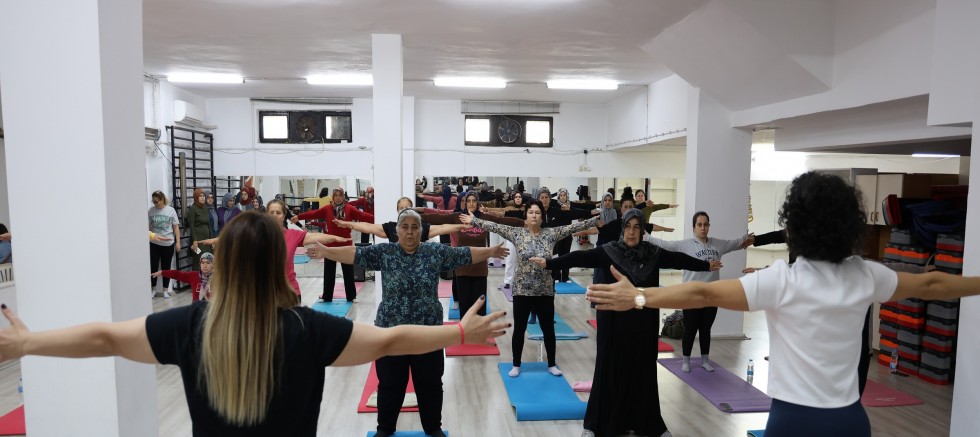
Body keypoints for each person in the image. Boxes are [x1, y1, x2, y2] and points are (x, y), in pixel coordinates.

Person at [0, 211, 510, 437]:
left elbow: (105, 337)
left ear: (222, 263)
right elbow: (390, 340)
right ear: (279, 263)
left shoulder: (190, 326)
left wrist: (26, 343)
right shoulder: (308, 330)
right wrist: (459, 333)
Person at [585, 171, 980, 437]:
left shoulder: (782, 280)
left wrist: (639, 296)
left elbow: (703, 294)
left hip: (793, 421)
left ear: (795, 226)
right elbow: (931, 283)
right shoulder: (866, 275)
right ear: (849, 224)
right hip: (848, 421)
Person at [307, 209, 509, 437]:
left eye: (415, 227)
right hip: (391, 332)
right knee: (389, 383)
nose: (410, 232)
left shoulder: (434, 252)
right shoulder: (385, 252)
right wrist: (327, 251)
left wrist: (491, 251)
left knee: (430, 383)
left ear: (421, 231)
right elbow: (355, 254)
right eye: (405, 227)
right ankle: (385, 428)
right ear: (397, 231)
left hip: (429, 333)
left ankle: (433, 427)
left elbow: (465, 253)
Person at [531, 209, 720, 437]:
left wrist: (705, 266)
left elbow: (678, 260)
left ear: (642, 230)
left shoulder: (652, 253)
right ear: (622, 229)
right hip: (613, 324)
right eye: (628, 227)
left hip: (644, 323)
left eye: (636, 227)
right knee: (609, 369)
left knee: (642, 369)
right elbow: (580, 257)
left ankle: (649, 423)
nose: (631, 232)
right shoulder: (610, 251)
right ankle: (594, 425)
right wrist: (549, 263)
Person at [462, 200, 600, 377]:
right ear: (526, 216)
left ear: (542, 217)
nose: (534, 216)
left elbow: (571, 228)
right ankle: (516, 364)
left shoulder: (550, 234)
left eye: (537, 213)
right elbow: (496, 226)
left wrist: (593, 221)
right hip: (522, 291)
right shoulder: (517, 233)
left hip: (544, 290)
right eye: (531, 212)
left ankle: (551, 364)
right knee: (519, 328)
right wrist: (474, 220)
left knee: (548, 329)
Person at [645, 211, 752, 372]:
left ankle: (705, 360)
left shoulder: (718, 244)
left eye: (705, 224)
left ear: (709, 226)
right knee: (690, 328)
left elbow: (735, 243)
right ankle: (686, 361)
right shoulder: (686, 245)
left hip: (712, 295)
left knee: (705, 329)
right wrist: (647, 237)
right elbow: (666, 245)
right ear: (694, 227)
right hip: (691, 295)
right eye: (699, 225)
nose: (703, 228)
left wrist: (746, 237)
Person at [196, 200, 349, 301]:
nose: (275, 216)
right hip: (264, 295)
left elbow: (315, 236)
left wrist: (336, 238)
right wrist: (216, 240)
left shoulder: (293, 235)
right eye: (271, 212)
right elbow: (235, 236)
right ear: (266, 215)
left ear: (284, 216)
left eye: (278, 213)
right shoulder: (255, 233)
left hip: (290, 293)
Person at [290, 188, 374, 303]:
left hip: (345, 244)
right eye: (336, 195)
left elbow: (363, 215)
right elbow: (313, 213)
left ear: (343, 197)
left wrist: (378, 218)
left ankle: (351, 296)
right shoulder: (327, 209)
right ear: (333, 197)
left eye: (340, 195)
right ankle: (327, 296)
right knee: (329, 271)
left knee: (348, 271)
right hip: (330, 244)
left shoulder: (349, 208)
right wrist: (299, 217)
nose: (338, 197)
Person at [333, 197, 468, 243]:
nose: (404, 210)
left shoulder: (421, 228)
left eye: (407, 207)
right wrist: (346, 224)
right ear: (397, 210)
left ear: (413, 209)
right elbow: (368, 227)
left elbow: (443, 228)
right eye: (401, 208)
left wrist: (464, 226)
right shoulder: (391, 228)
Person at [149, 190, 181, 298]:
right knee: (153, 266)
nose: (155, 203)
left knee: (166, 267)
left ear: (162, 200)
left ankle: (165, 290)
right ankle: (153, 289)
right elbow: (148, 227)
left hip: (168, 243)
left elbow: (176, 228)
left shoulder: (171, 210)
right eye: (153, 201)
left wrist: (178, 242)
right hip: (154, 243)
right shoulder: (151, 211)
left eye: (157, 201)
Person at [186, 188, 213, 270]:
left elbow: (208, 225)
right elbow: (191, 226)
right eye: (200, 196)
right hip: (198, 240)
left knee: (207, 260)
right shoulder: (193, 208)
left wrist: (212, 240)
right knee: (198, 261)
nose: (202, 198)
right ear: (196, 197)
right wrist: (195, 241)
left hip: (206, 240)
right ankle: (196, 278)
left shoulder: (205, 208)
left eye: (203, 196)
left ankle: (206, 278)